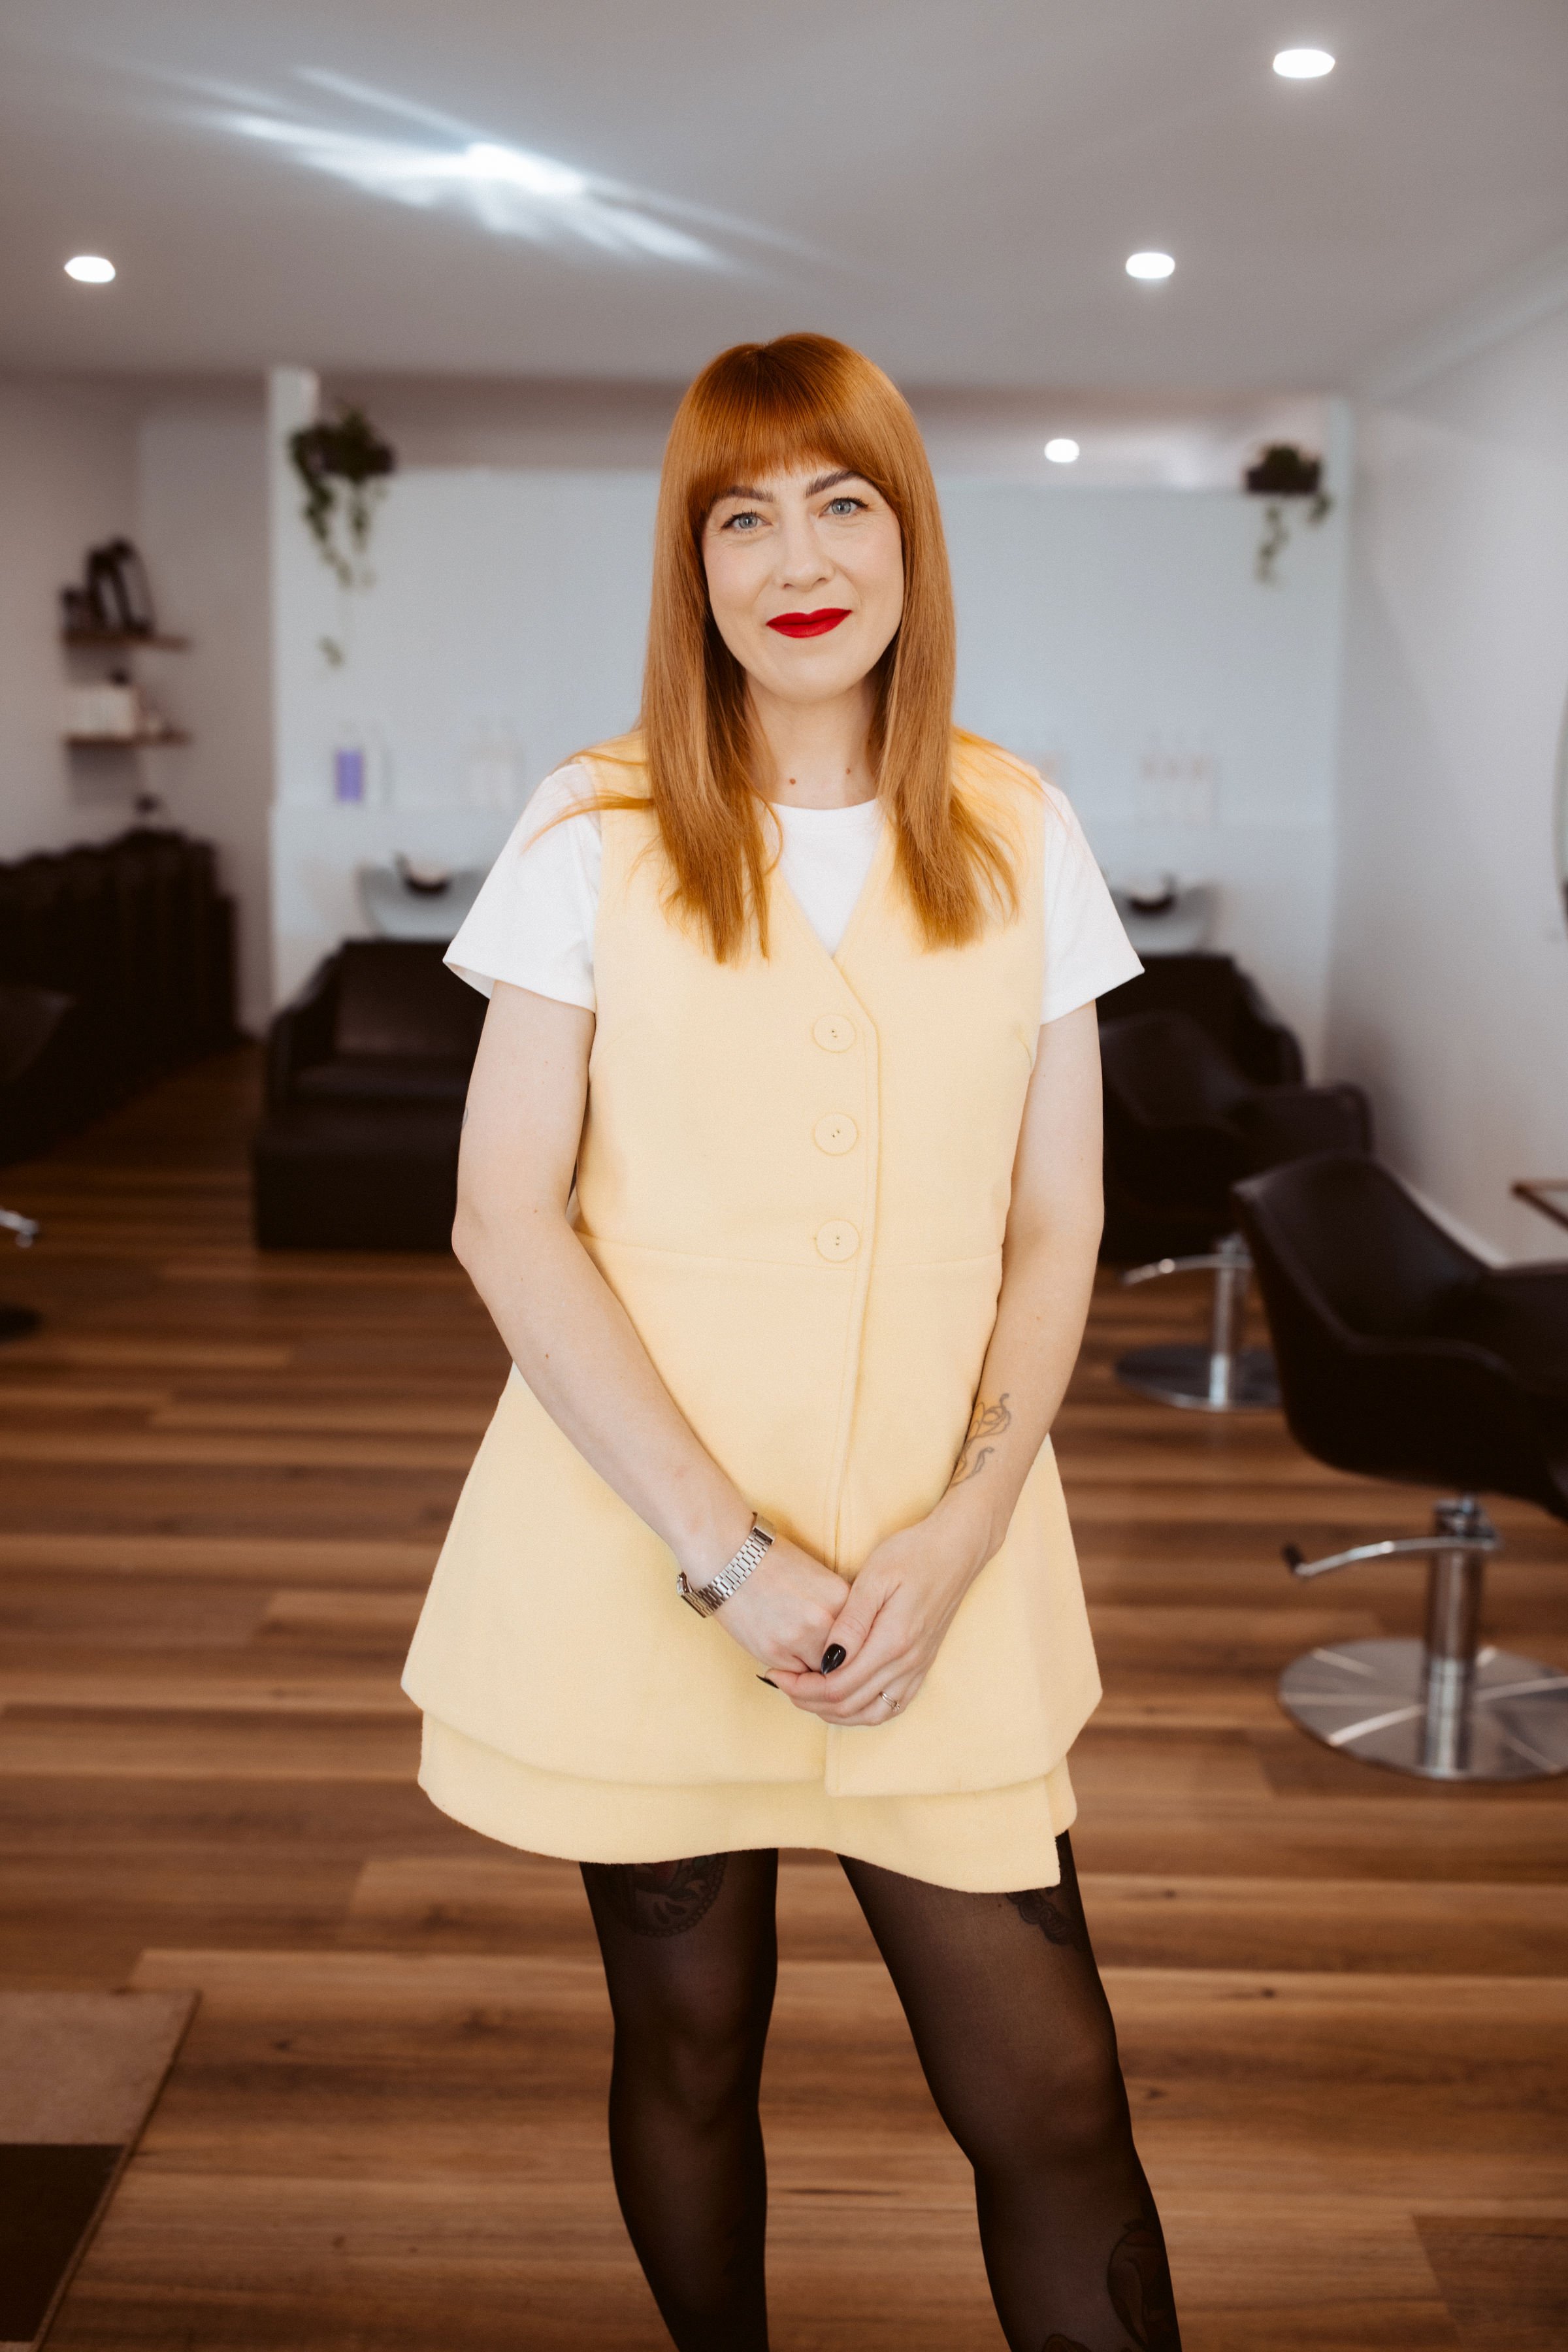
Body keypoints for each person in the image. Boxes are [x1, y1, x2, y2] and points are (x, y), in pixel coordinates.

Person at [402, 333, 1181, 2352]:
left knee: (1059, 2099)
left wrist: (964, 1530)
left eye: (842, 501)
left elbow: (1057, 1220)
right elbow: (505, 1216)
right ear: (693, 565)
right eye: (739, 514)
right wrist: (730, 1559)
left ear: (913, 539)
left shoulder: (1019, 828)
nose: (795, 553)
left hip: (947, 1568)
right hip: (643, 1563)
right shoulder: (593, 828)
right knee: (685, 2050)